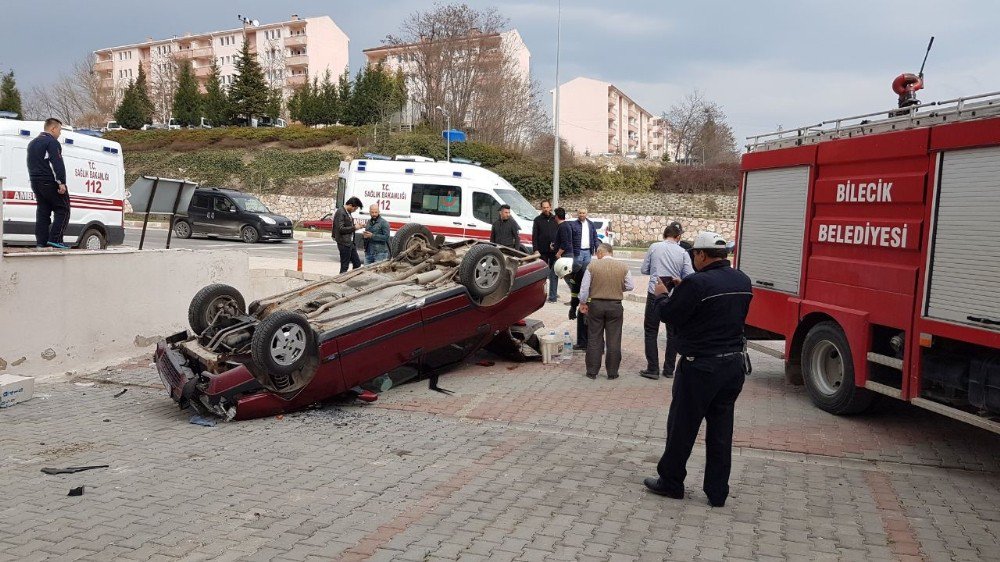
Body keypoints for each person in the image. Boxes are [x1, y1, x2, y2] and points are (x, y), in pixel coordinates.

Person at [643, 232, 753, 508]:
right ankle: (717, 492)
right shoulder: (742, 279)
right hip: (733, 365)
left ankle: (671, 481)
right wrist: (686, 289)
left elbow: (669, 315)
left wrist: (662, 296)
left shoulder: (697, 283)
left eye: (695, 255)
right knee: (720, 430)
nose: (693, 258)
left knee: (682, 426)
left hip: (700, 366)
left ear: (702, 255)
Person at [640, 222, 694, 380]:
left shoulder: (654, 247)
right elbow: (689, 275)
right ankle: (669, 369)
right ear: (678, 237)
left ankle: (653, 368)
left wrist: (657, 271)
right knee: (673, 333)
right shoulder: (683, 252)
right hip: (674, 294)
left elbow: (644, 269)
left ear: (664, 235)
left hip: (655, 293)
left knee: (651, 331)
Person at [578, 243, 634, 379]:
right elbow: (630, 286)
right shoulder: (624, 266)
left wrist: (583, 303)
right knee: (614, 339)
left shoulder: (592, 266)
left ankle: (592, 371)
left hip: (596, 305)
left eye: (597, 253)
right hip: (615, 306)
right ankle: (612, 373)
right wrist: (618, 289)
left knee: (594, 338)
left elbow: (584, 289)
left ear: (601, 252)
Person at [26, 118, 71, 249]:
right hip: (48, 181)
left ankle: (41, 242)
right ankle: (56, 239)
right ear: (53, 129)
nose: (60, 133)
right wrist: (61, 182)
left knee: (43, 210)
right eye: (60, 130)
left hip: (35, 181)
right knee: (63, 208)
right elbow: (56, 163)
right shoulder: (52, 142)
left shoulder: (33, 143)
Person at [532, 200, 560, 302]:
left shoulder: (555, 219)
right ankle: (541, 292)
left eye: (547, 207)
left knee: (554, 273)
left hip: (554, 251)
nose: (546, 209)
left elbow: (559, 234)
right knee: (542, 273)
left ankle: (553, 293)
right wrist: (535, 250)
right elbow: (534, 236)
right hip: (542, 251)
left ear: (550, 207)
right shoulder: (537, 220)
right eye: (544, 207)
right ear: (541, 208)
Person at [333, 196, 365, 273]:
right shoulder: (341, 212)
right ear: (350, 205)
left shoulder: (348, 213)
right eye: (355, 208)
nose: (355, 210)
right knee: (345, 266)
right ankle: (341, 281)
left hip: (350, 242)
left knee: (357, 263)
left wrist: (357, 226)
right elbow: (340, 229)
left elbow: (348, 225)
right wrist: (354, 227)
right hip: (343, 242)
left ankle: (352, 279)